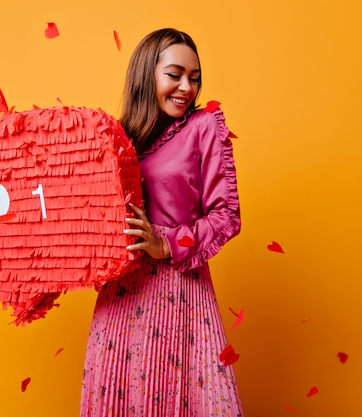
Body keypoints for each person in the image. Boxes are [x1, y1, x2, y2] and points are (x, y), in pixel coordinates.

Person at [80, 28, 243, 416]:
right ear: (146, 75)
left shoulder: (204, 128)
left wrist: (166, 243)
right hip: (120, 296)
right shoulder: (117, 139)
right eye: (175, 74)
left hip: (179, 290)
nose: (187, 87)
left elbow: (227, 216)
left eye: (195, 77)